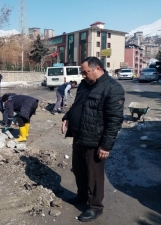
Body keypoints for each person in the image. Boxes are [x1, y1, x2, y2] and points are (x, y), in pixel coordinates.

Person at [61, 57, 125, 222]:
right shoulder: (84, 85)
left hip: (95, 140)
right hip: (79, 135)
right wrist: (67, 117)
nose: (82, 75)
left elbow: (114, 120)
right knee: (78, 170)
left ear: (97, 68)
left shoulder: (112, 88)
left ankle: (95, 206)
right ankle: (82, 196)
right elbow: (77, 105)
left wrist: (105, 145)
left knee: (93, 175)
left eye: (85, 72)